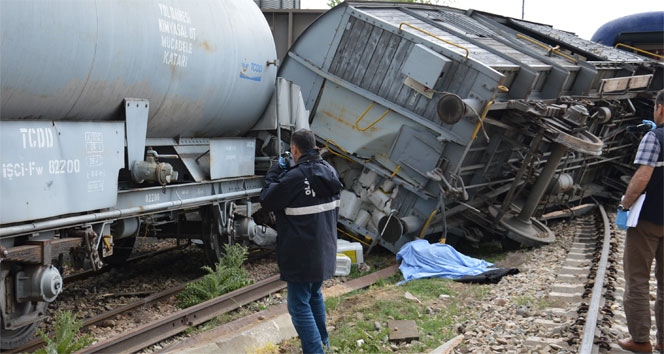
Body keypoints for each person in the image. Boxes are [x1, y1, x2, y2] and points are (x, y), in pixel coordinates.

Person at [260, 129, 342, 353]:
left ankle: (315, 351)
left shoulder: (294, 178)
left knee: (297, 305)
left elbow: (267, 199)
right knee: (314, 295)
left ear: (294, 150)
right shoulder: (329, 171)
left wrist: (276, 170)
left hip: (301, 255)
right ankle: (323, 343)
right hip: (324, 250)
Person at [617, 90, 664, 353]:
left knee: (638, 278)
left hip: (648, 219)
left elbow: (642, 176)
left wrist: (625, 204)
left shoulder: (654, 137)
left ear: (659, 109)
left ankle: (641, 340)